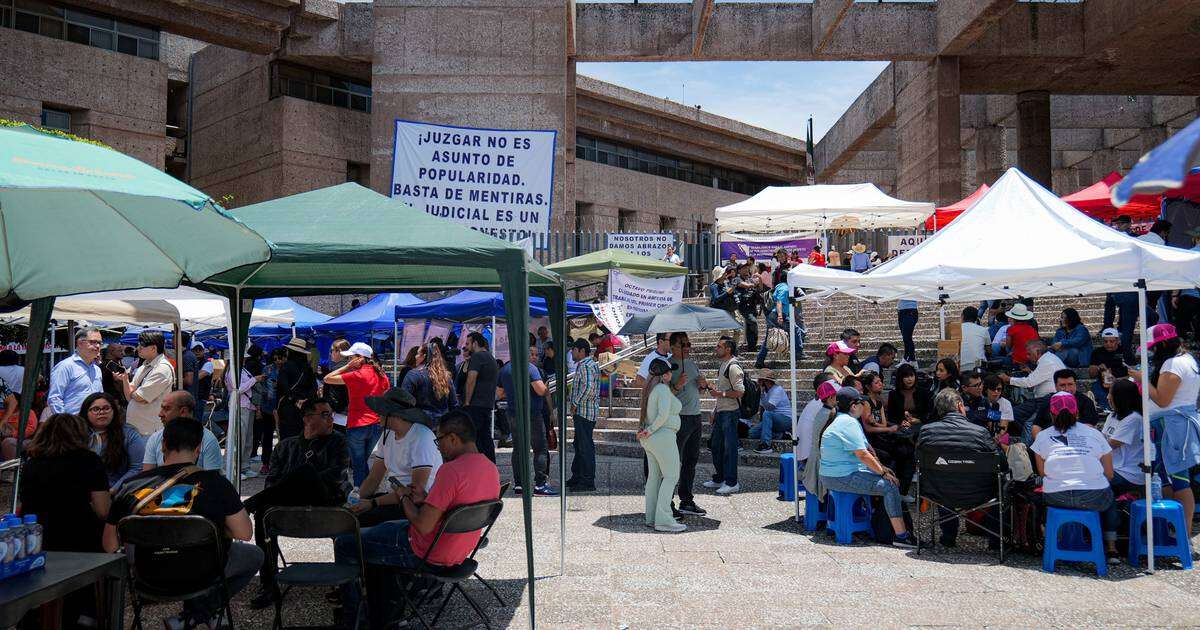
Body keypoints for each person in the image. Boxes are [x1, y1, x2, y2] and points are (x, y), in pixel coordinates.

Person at [332, 410, 500, 621]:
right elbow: (451, 507)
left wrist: (403, 497)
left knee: (345, 542)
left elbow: (423, 525)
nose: (438, 447)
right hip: (459, 551)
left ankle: (353, 616)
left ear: (453, 438)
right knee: (380, 530)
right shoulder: (490, 467)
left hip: (426, 550)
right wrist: (424, 498)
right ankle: (385, 607)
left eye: (439, 440)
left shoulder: (451, 471)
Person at [105, 418, 261, 628]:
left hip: (148, 574)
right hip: (202, 573)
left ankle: (194, 614)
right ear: (198, 449)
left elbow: (109, 545)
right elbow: (244, 533)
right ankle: (200, 612)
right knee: (254, 556)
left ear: (163, 446)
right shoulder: (216, 484)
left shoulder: (130, 486)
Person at [245, 397, 352, 609]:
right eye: (324, 414)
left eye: (330, 414)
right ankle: (268, 584)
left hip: (326, 502)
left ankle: (248, 505)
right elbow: (272, 482)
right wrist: (293, 485)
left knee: (306, 472)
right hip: (288, 505)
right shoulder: (286, 446)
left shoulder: (338, 442)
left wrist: (303, 479)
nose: (331, 419)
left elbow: (336, 476)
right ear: (307, 419)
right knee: (264, 512)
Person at [819, 387, 917, 548]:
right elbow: (863, 455)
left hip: (837, 474)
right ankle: (901, 536)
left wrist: (881, 468)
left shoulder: (841, 419)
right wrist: (882, 471)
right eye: (861, 403)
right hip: (839, 477)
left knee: (888, 478)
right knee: (890, 486)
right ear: (853, 406)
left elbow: (867, 449)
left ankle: (887, 529)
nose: (864, 406)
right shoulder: (847, 422)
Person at [1030, 392, 1120, 562]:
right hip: (1094, 497)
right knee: (1109, 495)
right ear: (1077, 412)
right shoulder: (1094, 434)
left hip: (1057, 497)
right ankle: (1111, 548)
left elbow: (1043, 473)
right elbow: (1109, 473)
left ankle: (1051, 540)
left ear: (1051, 414)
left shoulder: (1042, 436)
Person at [1129, 323, 1200, 535]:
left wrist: (1141, 377)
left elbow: (1162, 399)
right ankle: (1174, 531)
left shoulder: (1173, 364)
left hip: (1172, 425)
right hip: (1171, 424)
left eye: (1153, 347)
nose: (1151, 351)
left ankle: (1183, 534)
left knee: (1180, 480)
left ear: (1164, 345)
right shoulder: (1188, 360)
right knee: (1168, 478)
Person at [916, 389, 1005, 549]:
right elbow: (1000, 463)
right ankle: (995, 540)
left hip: (938, 491)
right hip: (980, 493)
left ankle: (948, 536)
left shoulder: (927, 431)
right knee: (1001, 483)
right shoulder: (981, 432)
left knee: (943, 478)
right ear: (960, 406)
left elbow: (917, 461)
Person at [19, 413, 111, 552]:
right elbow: (103, 510)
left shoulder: (31, 464)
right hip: (80, 537)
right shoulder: (90, 461)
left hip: (37, 538)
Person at [352, 388, 442, 526]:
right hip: (395, 498)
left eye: (381, 410)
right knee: (347, 518)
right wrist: (355, 501)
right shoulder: (387, 434)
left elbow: (416, 492)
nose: (377, 414)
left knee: (358, 523)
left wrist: (372, 503)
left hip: (415, 505)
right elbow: (374, 478)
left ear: (394, 414)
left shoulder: (421, 436)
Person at [628, 357, 684, 533]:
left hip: (652, 440)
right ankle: (664, 519)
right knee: (671, 476)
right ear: (664, 375)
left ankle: (652, 517)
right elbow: (663, 415)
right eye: (669, 371)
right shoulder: (662, 389)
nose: (671, 373)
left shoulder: (651, 389)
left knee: (654, 477)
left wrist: (647, 431)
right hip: (663, 437)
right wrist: (650, 430)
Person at [324, 342, 391, 486]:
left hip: (358, 425)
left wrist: (347, 367)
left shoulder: (356, 374)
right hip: (377, 424)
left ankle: (361, 496)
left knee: (358, 465)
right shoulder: (382, 375)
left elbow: (327, 378)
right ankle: (365, 493)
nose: (348, 361)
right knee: (361, 463)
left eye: (350, 358)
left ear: (360, 358)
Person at [500, 347, 555, 496]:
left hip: (512, 413)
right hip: (531, 414)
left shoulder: (505, 369)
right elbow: (540, 390)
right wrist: (546, 390)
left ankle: (519, 484)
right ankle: (540, 485)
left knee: (518, 449)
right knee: (540, 449)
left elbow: (499, 393)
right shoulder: (530, 369)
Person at [666, 332, 709, 516]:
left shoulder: (691, 364)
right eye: (683, 344)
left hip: (695, 416)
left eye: (688, 344)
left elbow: (702, 391)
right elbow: (662, 394)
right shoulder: (668, 365)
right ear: (673, 346)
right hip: (679, 417)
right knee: (673, 462)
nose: (687, 347)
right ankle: (667, 501)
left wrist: (703, 384)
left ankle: (687, 500)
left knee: (691, 460)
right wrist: (677, 384)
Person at [860, 370, 915, 495]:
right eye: (877, 382)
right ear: (868, 387)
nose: (881, 384)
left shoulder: (879, 402)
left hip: (882, 437)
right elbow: (868, 428)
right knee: (895, 454)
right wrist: (889, 429)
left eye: (880, 381)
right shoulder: (866, 402)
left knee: (908, 450)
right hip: (872, 440)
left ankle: (901, 490)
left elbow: (883, 423)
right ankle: (891, 488)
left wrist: (878, 424)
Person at [143, 390, 223, 471]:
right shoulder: (155, 438)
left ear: (183, 411)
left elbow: (212, 479)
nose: (160, 414)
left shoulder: (208, 440)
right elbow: (147, 478)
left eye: (166, 409)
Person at [116, 331, 177, 436]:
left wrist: (133, 390)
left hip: (149, 429)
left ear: (153, 348)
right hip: (137, 426)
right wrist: (126, 381)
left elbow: (140, 397)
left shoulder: (162, 368)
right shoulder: (144, 366)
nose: (138, 348)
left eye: (142, 345)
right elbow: (130, 397)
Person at [81, 392, 146, 491]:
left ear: (114, 411)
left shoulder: (129, 434)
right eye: (95, 409)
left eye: (106, 408)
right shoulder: (77, 434)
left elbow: (137, 467)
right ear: (86, 412)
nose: (101, 412)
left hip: (117, 492)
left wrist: (114, 490)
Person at [704, 336, 743, 495]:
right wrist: (715, 410)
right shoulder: (723, 365)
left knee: (729, 448)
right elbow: (722, 391)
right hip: (721, 412)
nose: (716, 348)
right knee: (716, 446)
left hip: (730, 412)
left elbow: (740, 391)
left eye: (719, 346)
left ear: (728, 349)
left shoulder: (733, 367)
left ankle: (732, 482)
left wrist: (720, 393)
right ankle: (720, 477)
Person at [1101, 378, 1148, 498]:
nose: (1107, 398)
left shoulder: (1134, 419)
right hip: (1113, 468)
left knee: (1095, 486)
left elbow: (1109, 445)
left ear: (1121, 397)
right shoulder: (1112, 416)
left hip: (1128, 473)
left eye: (1111, 394)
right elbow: (1101, 441)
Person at [1027, 369, 1102, 440]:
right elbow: (1036, 425)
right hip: (1049, 441)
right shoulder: (1048, 401)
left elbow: (1089, 426)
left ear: (1075, 385)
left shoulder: (1086, 401)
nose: (1067, 389)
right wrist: (1040, 443)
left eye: (1070, 384)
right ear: (1056, 386)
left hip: (1078, 441)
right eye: (1062, 385)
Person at [226, 349, 267, 480]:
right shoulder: (232, 372)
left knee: (248, 438)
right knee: (240, 438)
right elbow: (238, 389)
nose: (244, 360)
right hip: (240, 405)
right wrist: (255, 379)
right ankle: (236, 468)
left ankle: (245, 466)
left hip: (248, 406)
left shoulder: (242, 370)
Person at [567, 339, 600, 493]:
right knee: (579, 445)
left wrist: (575, 403)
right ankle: (578, 476)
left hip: (584, 412)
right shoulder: (589, 364)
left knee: (585, 447)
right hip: (586, 412)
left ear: (581, 350)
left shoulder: (585, 366)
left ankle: (587, 480)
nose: (571, 353)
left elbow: (588, 387)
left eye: (573, 349)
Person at [461, 332, 499, 462]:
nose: (466, 347)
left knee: (475, 439)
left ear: (475, 343)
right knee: (485, 438)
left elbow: (471, 379)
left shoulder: (477, 357)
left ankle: (478, 468)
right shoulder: (490, 357)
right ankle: (490, 467)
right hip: (486, 404)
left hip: (475, 405)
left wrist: (466, 401)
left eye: (468, 344)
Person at [48, 326, 103, 415]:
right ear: (80, 343)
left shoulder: (97, 370)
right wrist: (66, 423)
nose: (97, 346)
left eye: (100, 343)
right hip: (73, 424)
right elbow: (54, 398)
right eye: (93, 342)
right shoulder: (65, 366)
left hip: (94, 424)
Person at [401, 341, 457, 423]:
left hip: (420, 424)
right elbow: (454, 404)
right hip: (442, 424)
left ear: (424, 356)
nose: (415, 357)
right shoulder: (446, 376)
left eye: (417, 354)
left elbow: (404, 400)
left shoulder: (413, 375)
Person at [756, 278, 805, 368]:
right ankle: (798, 353)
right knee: (796, 330)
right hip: (778, 315)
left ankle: (759, 360)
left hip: (773, 315)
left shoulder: (779, 287)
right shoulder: (785, 288)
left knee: (768, 338)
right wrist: (780, 316)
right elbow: (779, 302)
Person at [276, 338, 318, 441]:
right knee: (304, 435)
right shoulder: (307, 368)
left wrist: (295, 399)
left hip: (289, 405)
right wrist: (306, 399)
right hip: (305, 407)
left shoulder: (286, 366)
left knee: (288, 437)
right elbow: (314, 387)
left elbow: (283, 386)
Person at [253, 348, 285, 475]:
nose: (278, 361)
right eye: (275, 358)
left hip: (282, 408)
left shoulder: (286, 369)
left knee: (283, 436)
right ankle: (266, 463)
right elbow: (259, 386)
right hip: (267, 407)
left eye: (280, 358)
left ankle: (282, 462)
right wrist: (259, 408)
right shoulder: (267, 369)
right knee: (267, 436)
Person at [1000, 339, 1067, 398]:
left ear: (1037, 352)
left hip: (1048, 400)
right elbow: (1042, 376)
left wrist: (1009, 379)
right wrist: (1030, 372)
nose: (1027, 357)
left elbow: (1029, 383)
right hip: (1046, 398)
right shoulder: (1049, 358)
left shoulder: (1047, 362)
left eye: (1029, 354)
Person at [796, 377, 839, 467]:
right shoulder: (824, 409)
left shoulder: (818, 403)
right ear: (830, 397)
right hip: (811, 455)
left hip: (806, 451)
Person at [749, 369, 791, 454]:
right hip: (772, 419)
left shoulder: (777, 390)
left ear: (765, 381)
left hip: (785, 420)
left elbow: (769, 408)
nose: (758, 382)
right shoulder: (765, 392)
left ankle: (766, 445)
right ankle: (781, 435)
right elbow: (761, 408)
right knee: (751, 433)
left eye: (760, 380)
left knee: (767, 414)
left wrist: (760, 394)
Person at [1089, 328, 1129, 412]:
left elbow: (1134, 372)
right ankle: (1106, 409)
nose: (1108, 344)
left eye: (1111, 341)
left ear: (1117, 340)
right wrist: (1098, 368)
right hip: (1104, 382)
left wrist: (1117, 380)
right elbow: (1091, 374)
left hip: (1123, 381)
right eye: (1105, 341)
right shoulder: (1097, 352)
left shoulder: (1125, 351)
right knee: (1096, 387)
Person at [964, 373, 1013, 437]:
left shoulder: (1005, 403)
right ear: (986, 389)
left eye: (999, 389)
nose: (996, 392)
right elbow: (970, 417)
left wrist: (997, 435)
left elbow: (1002, 426)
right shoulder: (978, 399)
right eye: (993, 389)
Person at [886, 363, 933, 428]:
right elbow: (891, 416)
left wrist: (919, 420)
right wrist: (901, 422)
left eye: (912, 376)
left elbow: (930, 413)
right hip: (902, 426)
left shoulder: (924, 392)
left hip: (921, 425)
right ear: (900, 378)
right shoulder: (893, 394)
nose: (910, 379)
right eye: (906, 376)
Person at [325, 339, 352, 428]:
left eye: (332, 350)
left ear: (339, 352)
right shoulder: (351, 368)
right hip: (350, 412)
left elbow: (334, 394)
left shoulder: (337, 370)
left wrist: (331, 409)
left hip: (339, 414)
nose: (330, 353)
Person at [958, 306, 991, 371]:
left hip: (959, 366)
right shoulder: (983, 330)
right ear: (976, 318)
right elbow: (989, 350)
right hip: (978, 366)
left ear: (962, 316)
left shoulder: (955, 330)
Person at [896, 299, 919, 365]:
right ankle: (912, 360)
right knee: (905, 337)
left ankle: (907, 359)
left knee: (907, 337)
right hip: (901, 311)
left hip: (910, 310)